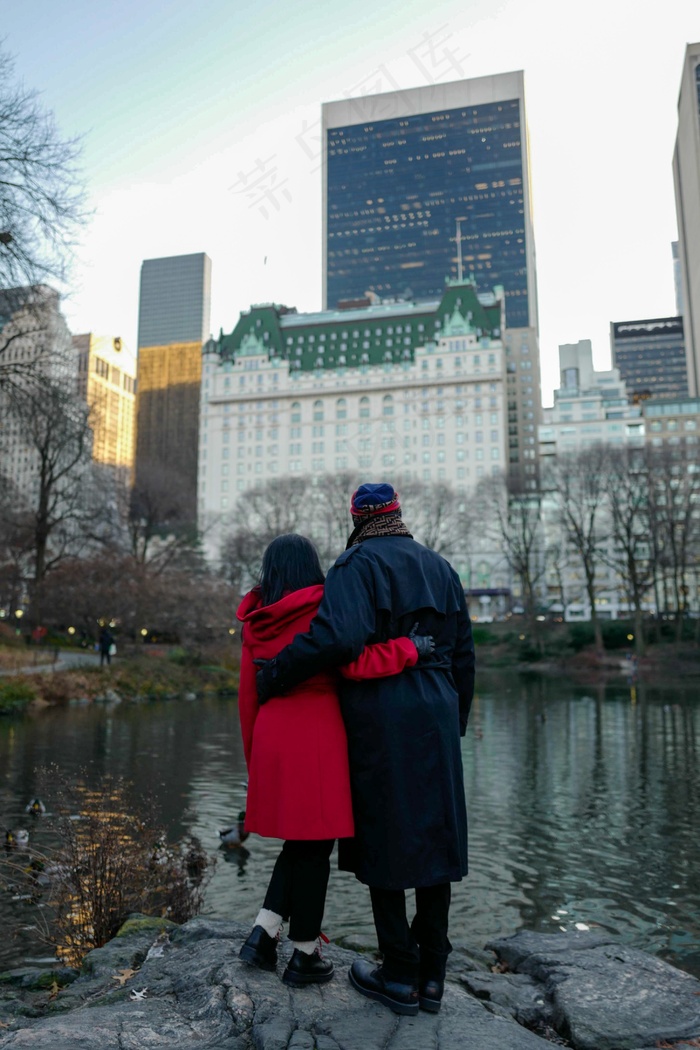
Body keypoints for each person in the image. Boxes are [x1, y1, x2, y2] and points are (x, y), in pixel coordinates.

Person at [255, 484, 475, 1016]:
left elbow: (335, 639)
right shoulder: (442, 567)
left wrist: (278, 673)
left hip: (382, 713)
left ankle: (398, 974)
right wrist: (455, 720)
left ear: (356, 519)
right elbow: (465, 654)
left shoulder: (355, 564)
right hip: (438, 709)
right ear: (398, 514)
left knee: (388, 837)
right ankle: (434, 976)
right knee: (435, 836)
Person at [236, 533, 433, 987]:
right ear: (311, 566)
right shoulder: (324, 606)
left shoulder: (255, 621)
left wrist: (255, 767)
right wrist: (408, 649)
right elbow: (355, 662)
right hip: (317, 735)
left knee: (304, 845)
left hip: (270, 737)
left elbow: (247, 698)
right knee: (316, 847)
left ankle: (264, 934)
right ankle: (303, 954)